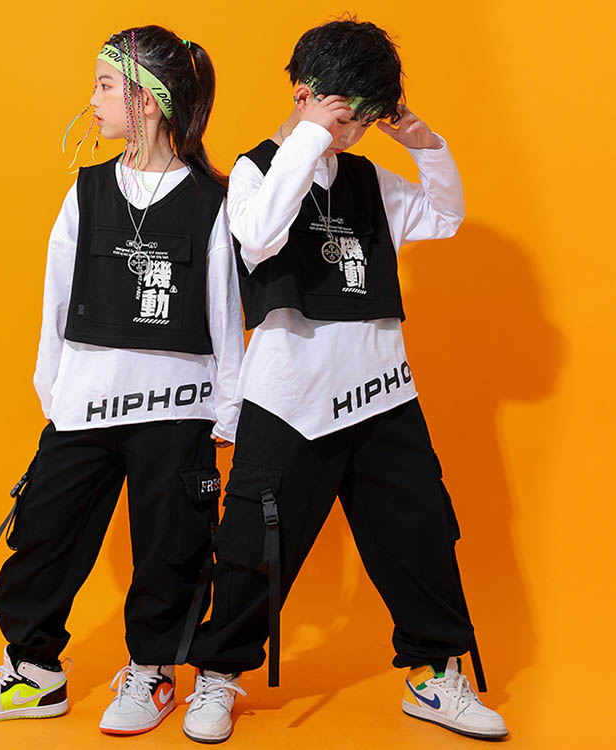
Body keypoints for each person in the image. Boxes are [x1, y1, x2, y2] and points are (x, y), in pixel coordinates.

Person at [181, 18, 508, 743]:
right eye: (345, 116)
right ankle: (218, 676)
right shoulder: (257, 170)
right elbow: (259, 234)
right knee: (253, 545)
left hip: (381, 391)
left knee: (420, 535)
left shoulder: (369, 179)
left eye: (365, 119)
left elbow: (445, 217)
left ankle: (433, 674)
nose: (353, 133)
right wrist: (307, 137)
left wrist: (424, 143)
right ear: (304, 95)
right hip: (289, 398)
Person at [0, 25, 244, 737]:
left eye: (106, 85)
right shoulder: (86, 192)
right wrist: (56, 394)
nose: (94, 99)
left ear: (149, 100)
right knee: (44, 537)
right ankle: (35, 672)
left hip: (177, 410)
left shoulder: (213, 201)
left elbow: (226, 313)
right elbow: (55, 303)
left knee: (171, 548)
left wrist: (226, 411)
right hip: (86, 407)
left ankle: (153, 673)